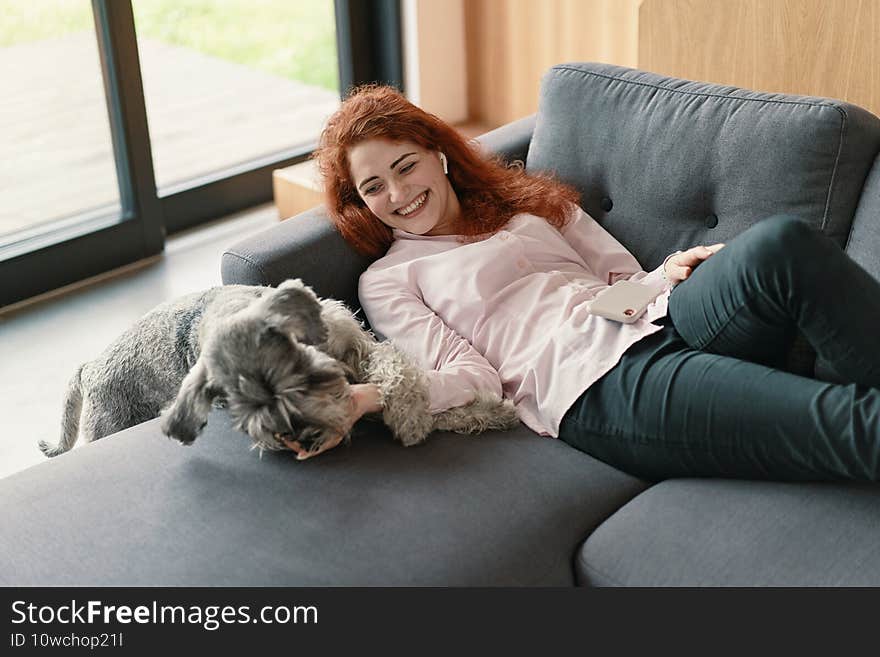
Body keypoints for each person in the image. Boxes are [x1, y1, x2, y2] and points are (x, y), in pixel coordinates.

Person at [289, 84, 880, 482]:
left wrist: (664, 277)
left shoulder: (531, 206)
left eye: (405, 166)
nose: (397, 195)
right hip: (594, 384)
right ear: (360, 205)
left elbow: (623, 282)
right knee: (852, 422)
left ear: (437, 155)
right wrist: (367, 398)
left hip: (662, 314)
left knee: (783, 243)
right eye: (373, 189)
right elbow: (476, 379)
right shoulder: (389, 279)